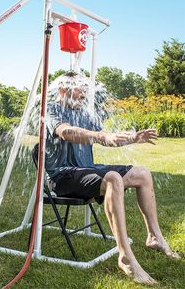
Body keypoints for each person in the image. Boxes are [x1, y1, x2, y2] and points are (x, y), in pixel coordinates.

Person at [45, 73, 180, 285]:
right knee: (114, 178)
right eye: (80, 88)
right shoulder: (51, 109)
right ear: (63, 89)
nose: (84, 93)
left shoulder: (83, 113)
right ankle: (126, 258)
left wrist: (133, 138)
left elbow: (106, 138)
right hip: (63, 176)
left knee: (142, 174)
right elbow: (66, 132)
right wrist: (100, 136)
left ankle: (155, 238)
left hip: (86, 170)